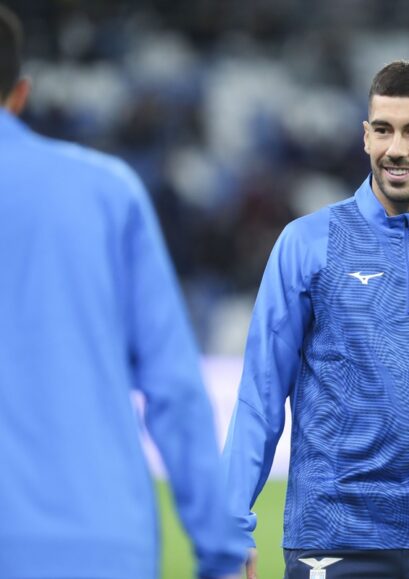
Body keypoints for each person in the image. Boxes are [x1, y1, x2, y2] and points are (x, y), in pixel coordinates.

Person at [221, 58, 409, 579]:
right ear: (365, 136)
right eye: (383, 130)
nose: (396, 149)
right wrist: (230, 528)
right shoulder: (308, 243)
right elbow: (261, 393)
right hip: (334, 536)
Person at [0, 5, 246, 579]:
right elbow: (175, 390)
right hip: (97, 543)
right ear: (20, 93)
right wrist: (221, 549)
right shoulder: (107, 193)